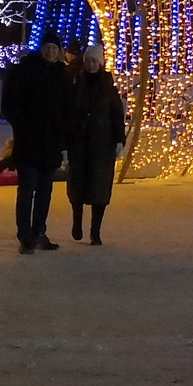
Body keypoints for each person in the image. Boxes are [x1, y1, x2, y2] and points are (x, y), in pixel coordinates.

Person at [3, 38, 73, 253]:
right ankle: (26, 236)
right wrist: (22, 128)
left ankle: (39, 231)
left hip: (51, 142)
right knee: (27, 189)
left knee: (45, 190)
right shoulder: (24, 71)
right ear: (41, 49)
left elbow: (67, 108)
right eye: (48, 47)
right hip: (29, 141)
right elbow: (9, 104)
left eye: (55, 48)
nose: (52, 51)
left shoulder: (62, 74)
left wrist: (63, 136)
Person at [65, 44, 127, 245]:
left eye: (95, 61)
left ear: (100, 64)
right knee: (77, 184)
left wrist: (119, 139)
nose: (91, 65)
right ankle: (77, 221)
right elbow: (69, 115)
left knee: (99, 188)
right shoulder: (76, 85)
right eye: (89, 61)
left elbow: (117, 115)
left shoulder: (108, 88)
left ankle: (95, 231)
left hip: (102, 144)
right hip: (80, 142)